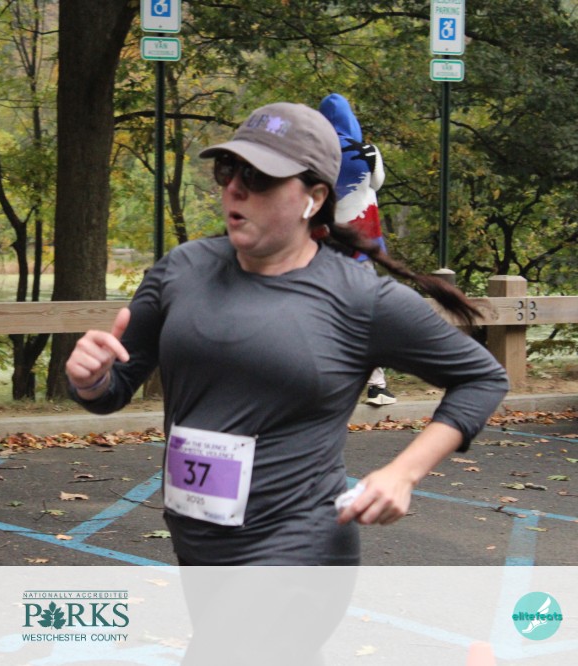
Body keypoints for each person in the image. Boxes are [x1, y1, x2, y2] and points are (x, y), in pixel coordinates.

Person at [65, 101, 508, 566]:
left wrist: (403, 473)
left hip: (301, 547)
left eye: (258, 176)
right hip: (197, 543)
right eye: (227, 170)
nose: (235, 188)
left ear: (313, 198)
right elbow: (113, 389)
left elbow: (482, 377)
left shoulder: (360, 297)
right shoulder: (181, 270)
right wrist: (91, 380)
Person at [319, 92, 395, 406]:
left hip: (321, 243)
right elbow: (377, 183)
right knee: (366, 312)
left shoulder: (313, 151)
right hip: (362, 244)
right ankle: (377, 386)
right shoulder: (368, 151)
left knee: (321, 310)